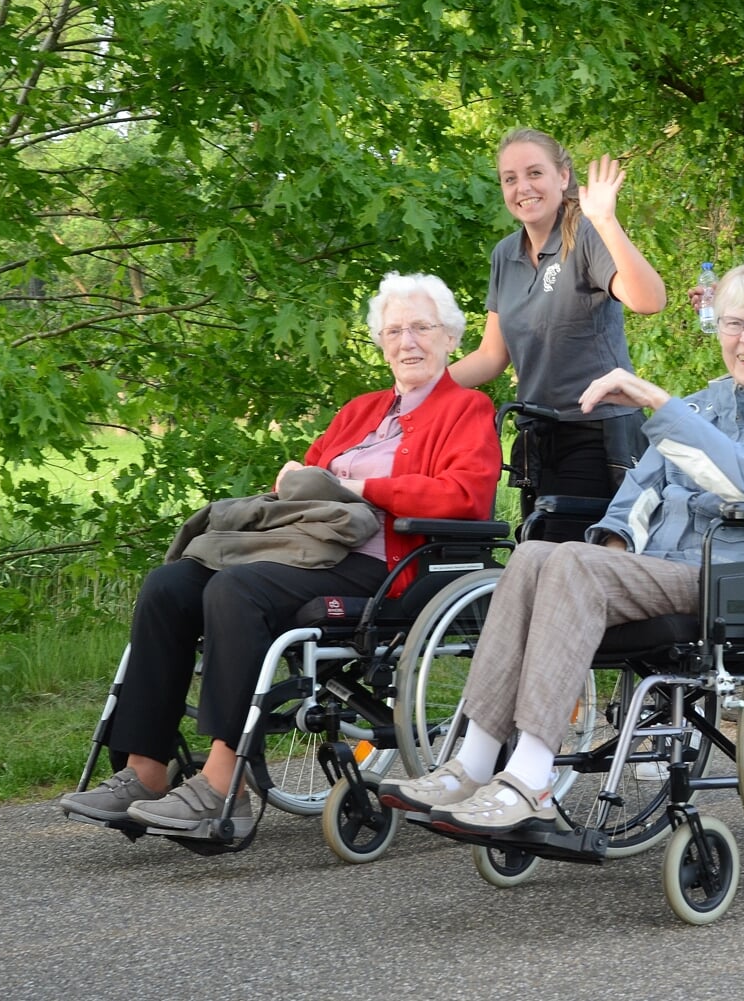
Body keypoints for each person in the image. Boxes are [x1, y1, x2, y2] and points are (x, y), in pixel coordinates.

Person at [375, 259, 744, 835]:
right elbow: (637, 494)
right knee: (535, 555)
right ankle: (473, 760)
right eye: (734, 323)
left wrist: (657, 402)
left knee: (569, 559)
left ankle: (531, 776)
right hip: (663, 571)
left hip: (738, 575)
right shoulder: (702, 405)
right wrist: (616, 544)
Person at [59, 274, 502, 832]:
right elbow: (309, 474)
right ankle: (145, 768)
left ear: (449, 337)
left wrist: (365, 490)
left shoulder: (466, 409)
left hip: (385, 564)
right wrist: (293, 479)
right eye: (394, 330)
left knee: (235, 590)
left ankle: (224, 783)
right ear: (380, 341)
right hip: (304, 547)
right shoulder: (360, 410)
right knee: (169, 587)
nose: (407, 341)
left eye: (421, 327)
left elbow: (466, 496)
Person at [448, 129, 668, 537]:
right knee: (533, 551)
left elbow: (649, 300)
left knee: (557, 555)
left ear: (563, 177)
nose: (523, 187)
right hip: (536, 435)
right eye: (510, 179)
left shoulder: (585, 235)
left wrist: (605, 220)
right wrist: (418, 388)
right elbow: (492, 357)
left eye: (535, 173)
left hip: (596, 431)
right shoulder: (505, 255)